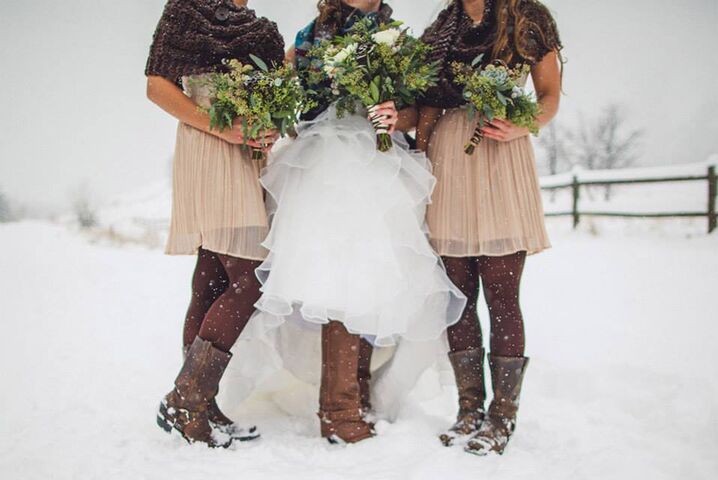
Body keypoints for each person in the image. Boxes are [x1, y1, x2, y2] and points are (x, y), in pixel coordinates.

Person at [247, 0, 466, 444]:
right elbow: (289, 93)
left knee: (372, 274)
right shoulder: (311, 35)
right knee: (340, 276)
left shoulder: (398, 37)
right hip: (327, 159)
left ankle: (355, 396)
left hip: (380, 161)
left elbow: (417, 108)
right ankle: (339, 409)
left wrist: (394, 115)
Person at [417, 0, 563, 455]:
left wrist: (523, 125)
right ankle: (469, 409)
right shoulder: (443, 28)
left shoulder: (527, 16)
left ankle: (502, 415)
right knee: (457, 296)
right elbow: (422, 101)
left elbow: (549, 95)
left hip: (501, 155)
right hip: (449, 160)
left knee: (501, 293)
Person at [144, 0, 285, 448]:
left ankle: (201, 404)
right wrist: (221, 128)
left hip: (251, 155)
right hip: (209, 146)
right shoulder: (186, 12)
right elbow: (156, 87)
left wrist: (271, 126)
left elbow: (275, 96)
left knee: (211, 278)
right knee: (250, 278)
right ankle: (188, 397)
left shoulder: (260, 29)